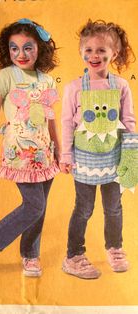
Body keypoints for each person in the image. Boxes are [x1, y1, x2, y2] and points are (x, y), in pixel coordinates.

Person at [0, 18, 60, 277]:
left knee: (40, 206)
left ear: (40, 49)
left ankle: (31, 255)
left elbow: (50, 118)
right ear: (6, 50)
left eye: (28, 48)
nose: (20, 54)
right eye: (14, 48)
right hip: (20, 151)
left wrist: (61, 149)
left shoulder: (47, 80)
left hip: (46, 153)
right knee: (34, 205)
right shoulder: (6, 76)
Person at [60, 19, 137, 279]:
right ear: (81, 52)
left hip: (114, 158)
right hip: (83, 160)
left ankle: (115, 247)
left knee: (114, 208)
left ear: (113, 54)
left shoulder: (121, 86)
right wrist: (66, 156)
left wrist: (132, 156)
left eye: (102, 51)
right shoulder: (73, 87)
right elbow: (67, 123)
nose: (95, 55)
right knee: (84, 208)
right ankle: (73, 254)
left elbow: (129, 121)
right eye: (89, 50)